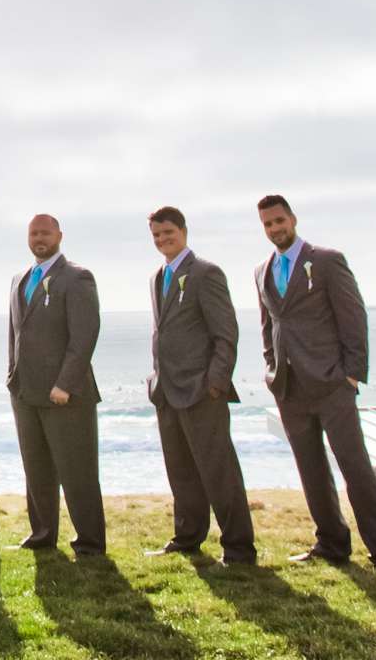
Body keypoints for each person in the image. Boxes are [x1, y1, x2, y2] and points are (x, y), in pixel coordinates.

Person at [256, 194, 376, 574]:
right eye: (268, 224)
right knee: (311, 470)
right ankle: (331, 543)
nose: (275, 229)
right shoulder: (262, 271)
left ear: (293, 219)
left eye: (279, 221)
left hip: (332, 383)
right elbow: (268, 325)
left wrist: (352, 374)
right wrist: (272, 369)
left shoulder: (326, 261)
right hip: (290, 388)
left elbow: (353, 317)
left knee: (355, 466)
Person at [144, 205, 255, 565]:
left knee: (218, 471)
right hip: (167, 391)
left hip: (201, 390)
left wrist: (215, 384)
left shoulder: (206, 273)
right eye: (157, 235)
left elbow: (226, 333)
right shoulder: (157, 277)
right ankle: (188, 536)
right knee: (181, 470)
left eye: (168, 233)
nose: (163, 239)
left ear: (184, 231)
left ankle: (238, 548)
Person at [6, 212, 105, 555]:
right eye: (34, 233)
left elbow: (85, 335)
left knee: (77, 472)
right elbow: (14, 335)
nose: (39, 238)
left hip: (66, 395)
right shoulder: (20, 279)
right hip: (26, 393)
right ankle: (42, 534)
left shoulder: (77, 277)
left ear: (59, 235)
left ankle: (90, 542)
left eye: (45, 232)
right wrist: (12, 378)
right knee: (36, 470)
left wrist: (65, 382)